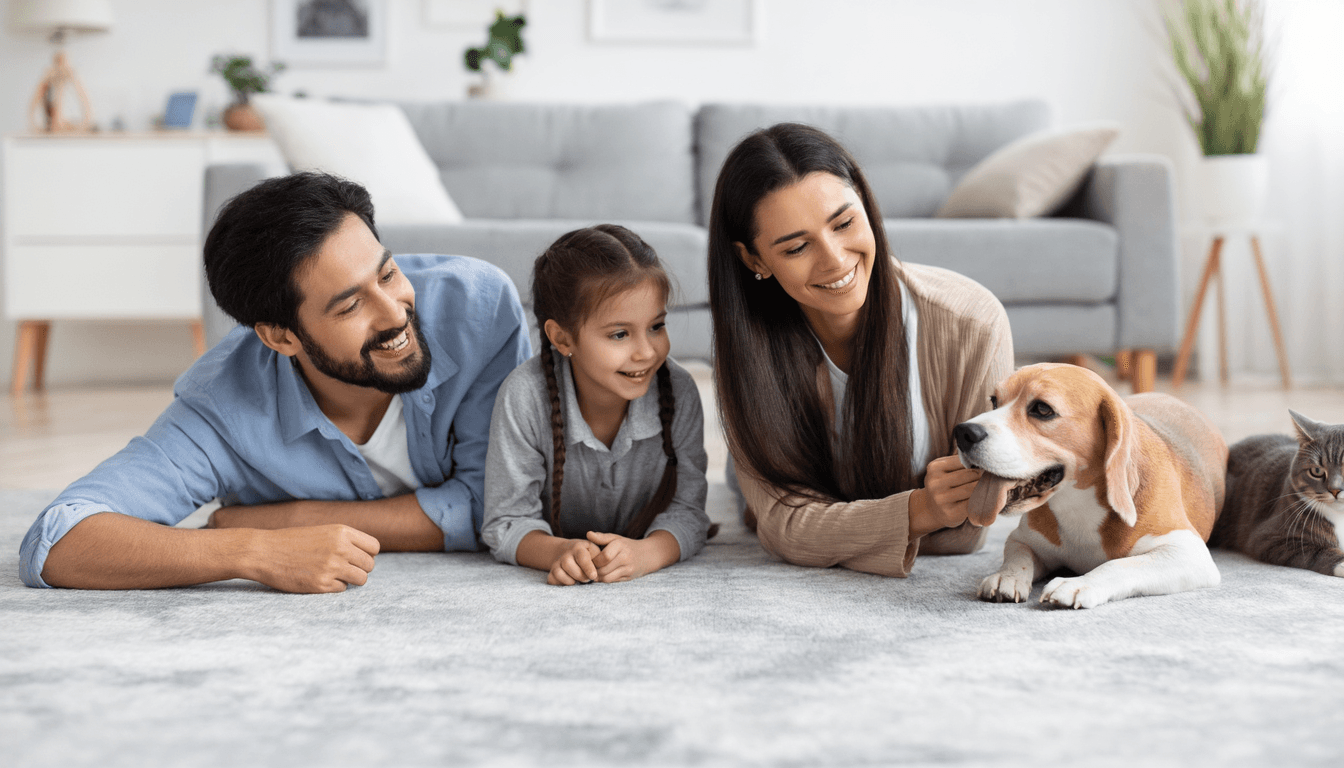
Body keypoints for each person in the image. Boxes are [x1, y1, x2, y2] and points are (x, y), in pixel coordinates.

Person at [18, 172, 531, 592]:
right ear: (281, 337)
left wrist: (282, 519)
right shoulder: (221, 408)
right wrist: (252, 550)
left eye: (388, 273)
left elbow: (499, 503)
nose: (393, 313)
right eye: (350, 305)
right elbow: (59, 539)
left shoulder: (477, 310)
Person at [708, 123, 1014, 577]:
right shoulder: (747, 351)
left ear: (867, 207)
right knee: (747, 500)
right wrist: (921, 511)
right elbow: (783, 526)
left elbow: (966, 529)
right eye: (796, 247)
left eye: (845, 223)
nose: (834, 259)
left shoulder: (972, 323)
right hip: (781, 475)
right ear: (755, 261)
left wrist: (828, 529)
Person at [481, 225, 712, 585]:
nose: (647, 352)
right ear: (562, 337)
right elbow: (506, 522)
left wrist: (645, 554)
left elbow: (688, 511)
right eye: (619, 334)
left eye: (656, 326)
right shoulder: (523, 397)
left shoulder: (679, 390)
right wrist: (557, 552)